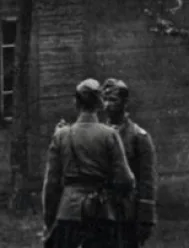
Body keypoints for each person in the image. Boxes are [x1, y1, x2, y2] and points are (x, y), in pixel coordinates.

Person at [42, 78, 136, 248]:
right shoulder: (110, 135)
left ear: (76, 103)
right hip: (102, 214)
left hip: (68, 214)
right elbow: (125, 180)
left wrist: (50, 220)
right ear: (99, 103)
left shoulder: (61, 135)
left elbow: (51, 185)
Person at [102, 78, 157, 247]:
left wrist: (145, 218)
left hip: (127, 213)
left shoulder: (138, 137)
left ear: (125, 103)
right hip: (100, 211)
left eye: (113, 100)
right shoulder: (98, 134)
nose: (107, 105)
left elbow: (147, 180)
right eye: (104, 100)